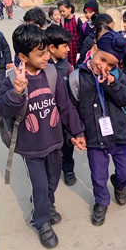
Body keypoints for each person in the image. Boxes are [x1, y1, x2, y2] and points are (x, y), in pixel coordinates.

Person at [0, 24, 86, 249]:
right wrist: (16, 92)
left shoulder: (52, 73)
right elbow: (3, 109)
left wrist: (77, 132)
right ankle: (41, 220)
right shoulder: (12, 79)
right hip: (31, 147)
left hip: (54, 142)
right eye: (40, 54)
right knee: (39, 185)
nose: (47, 57)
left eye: (47, 51)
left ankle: (46, 204)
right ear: (22, 56)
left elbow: (64, 107)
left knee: (52, 181)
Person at [68, 31, 126, 226]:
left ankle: (119, 185)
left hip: (118, 135)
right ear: (94, 49)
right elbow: (71, 109)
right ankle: (101, 202)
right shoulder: (77, 77)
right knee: (98, 176)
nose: (104, 67)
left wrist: (112, 84)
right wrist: (77, 133)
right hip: (94, 138)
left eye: (111, 65)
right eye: (102, 60)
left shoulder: (118, 76)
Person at [45, 25, 77, 186]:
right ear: (52, 47)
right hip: (47, 116)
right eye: (65, 46)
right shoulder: (42, 67)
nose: (68, 50)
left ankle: (68, 169)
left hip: (64, 114)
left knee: (67, 143)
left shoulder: (66, 66)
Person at [58, 0, 82, 66]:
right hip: (67, 45)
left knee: (77, 61)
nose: (62, 13)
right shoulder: (62, 21)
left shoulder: (76, 19)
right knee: (68, 62)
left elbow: (81, 33)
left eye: (63, 11)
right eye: (60, 12)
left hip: (76, 45)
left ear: (69, 9)